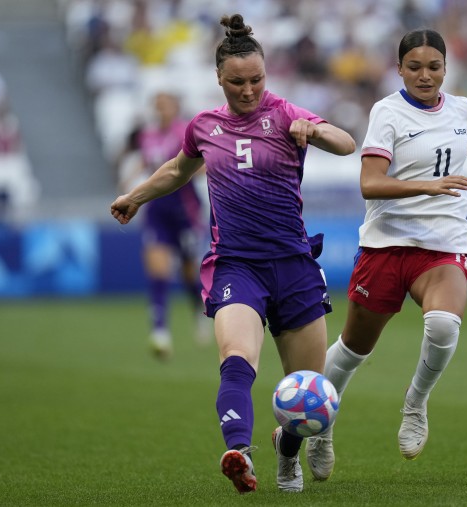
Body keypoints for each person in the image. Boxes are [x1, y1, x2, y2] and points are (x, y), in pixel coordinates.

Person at [109, 14, 356, 494]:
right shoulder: (204, 127)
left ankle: (292, 453)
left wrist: (316, 130)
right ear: (218, 78)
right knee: (236, 356)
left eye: (257, 80)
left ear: (267, 75)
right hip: (236, 265)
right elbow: (178, 170)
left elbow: (346, 144)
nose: (248, 90)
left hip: (293, 265)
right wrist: (135, 196)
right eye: (237, 82)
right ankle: (239, 451)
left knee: (307, 387)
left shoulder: (285, 113)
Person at [305, 28, 467, 480]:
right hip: (387, 243)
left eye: (433, 66)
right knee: (354, 348)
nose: (424, 75)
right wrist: (427, 185)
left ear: (445, 69)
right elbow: (370, 183)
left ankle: (415, 403)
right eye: (414, 67)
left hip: (444, 242)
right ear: (399, 69)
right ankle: (322, 426)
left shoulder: (461, 108)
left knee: (442, 322)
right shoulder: (387, 112)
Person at [120, 91, 210, 357]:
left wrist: (195, 170)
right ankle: (160, 331)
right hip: (157, 208)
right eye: (157, 106)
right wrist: (129, 182)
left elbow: (202, 162)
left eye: (166, 105)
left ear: (175, 107)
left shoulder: (187, 131)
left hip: (185, 209)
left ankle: (198, 311)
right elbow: (148, 163)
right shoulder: (147, 135)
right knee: (157, 267)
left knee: (189, 272)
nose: (161, 110)